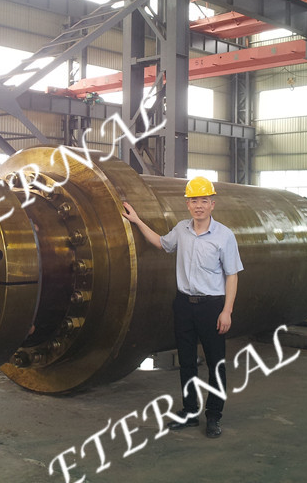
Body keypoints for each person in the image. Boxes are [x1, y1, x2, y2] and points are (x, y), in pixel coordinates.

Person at [122, 176, 242, 438]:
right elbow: (161, 243)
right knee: (187, 362)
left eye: (204, 201)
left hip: (212, 307)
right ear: (187, 204)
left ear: (212, 204)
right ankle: (189, 412)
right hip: (184, 305)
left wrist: (227, 311)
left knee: (216, 363)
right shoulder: (181, 230)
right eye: (194, 201)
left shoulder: (224, 236)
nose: (199, 206)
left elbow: (232, 275)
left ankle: (214, 416)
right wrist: (137, 221)